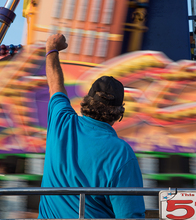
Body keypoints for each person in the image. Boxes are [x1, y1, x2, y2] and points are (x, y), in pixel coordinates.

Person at [38, 33, 145, 219]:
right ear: (119, 113)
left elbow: (55, 84)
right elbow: (129, 215)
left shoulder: (61, 123)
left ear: (87, 101)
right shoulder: (121, 154)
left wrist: (52, 48)